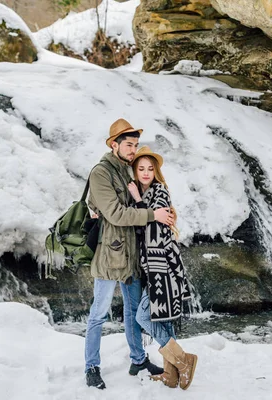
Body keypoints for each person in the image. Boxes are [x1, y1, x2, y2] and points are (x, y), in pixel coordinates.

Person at [84, 119, 175, 390]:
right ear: (114, 145)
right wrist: (152, 214)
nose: (133, 149)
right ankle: (91, 367)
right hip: (110, 257)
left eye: (135, 145)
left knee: (133, 311)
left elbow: (127, 201)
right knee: (98, 314)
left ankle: (138, 359)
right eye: (128, 145)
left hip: (132, 256)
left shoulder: (128, 170)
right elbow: (115, 213)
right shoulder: (101, 173)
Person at [128, 146, 198, 390]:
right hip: (152, 269)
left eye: (150, 168)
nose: (146, 173)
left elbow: (153, 233)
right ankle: (171, 373)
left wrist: (138, 201)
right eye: (141, 168)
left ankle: (183, 361)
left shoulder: (159, 192)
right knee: (164, 320)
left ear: (155, 171)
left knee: (143, 316)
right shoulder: (142, 194)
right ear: (135, 171)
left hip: (164, 268)